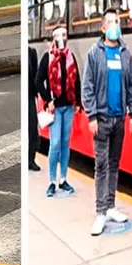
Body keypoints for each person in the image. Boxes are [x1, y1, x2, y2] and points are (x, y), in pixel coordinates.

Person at [82, 8, 132, 235]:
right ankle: (100, 212)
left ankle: (111, 206)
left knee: (114, 164)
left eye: (118, 21)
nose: (116, 25)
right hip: (102, 119)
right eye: (111, 22)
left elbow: (131, 85)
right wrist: (92, 115)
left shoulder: (126, 53)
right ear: (103, 28)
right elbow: (88, 87)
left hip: (119, 119)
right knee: (101, 165)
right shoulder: (94, 53)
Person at [35, 26, 81, 196]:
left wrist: (78, 103)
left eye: (64, 35)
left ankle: (63, 179)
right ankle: (52, 181)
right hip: (55, 109)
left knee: (65, 144)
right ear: (53, 38)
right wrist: (48, 100)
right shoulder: (48, 58)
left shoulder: (70, 57)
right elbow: (38, 81)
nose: (62, 38)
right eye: (58, 35)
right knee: (54, 145)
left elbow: (76, 81)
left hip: (68, 107)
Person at [28, 45, 41, 172]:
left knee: (32, 129)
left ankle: (31, 160)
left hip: (30, 97)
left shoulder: (32, 52)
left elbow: (36, 75)